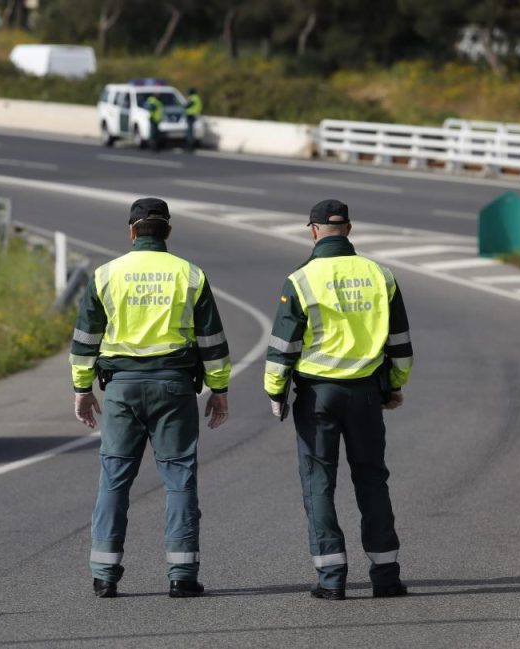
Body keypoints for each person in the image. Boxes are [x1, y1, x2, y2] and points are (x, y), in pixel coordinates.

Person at [70, 197, 231, 599]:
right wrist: (219, 389)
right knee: (179, 481)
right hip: (175, 387)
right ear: (168, 232)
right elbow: (212, 342)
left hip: (122, 388)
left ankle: (104, 575)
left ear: (131, 232)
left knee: (114, 481)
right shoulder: (190, 275)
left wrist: (82, 388)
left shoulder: (106, 275)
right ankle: (182, 575)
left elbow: (86, 339)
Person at [263, 199, 413, 601]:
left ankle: (331, 579)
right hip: (366, 394)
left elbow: (283, 346)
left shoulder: (301, 280)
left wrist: (276, 391)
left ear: (312, 230)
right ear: (349, 229)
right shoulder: (381, 276)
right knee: (372, 481)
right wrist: (394, 385)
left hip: (317, 397)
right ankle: (386, 577)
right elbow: (399, 342)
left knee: (319, 484)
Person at [183, 87, 202, 152]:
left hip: (191, 115)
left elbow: (187, 105)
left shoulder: (193, 98)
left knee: (189, 132)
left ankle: (190, 146)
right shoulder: (196, 97)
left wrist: (185, 104)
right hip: (193, 115)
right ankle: (190, 146)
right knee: (190, 131)